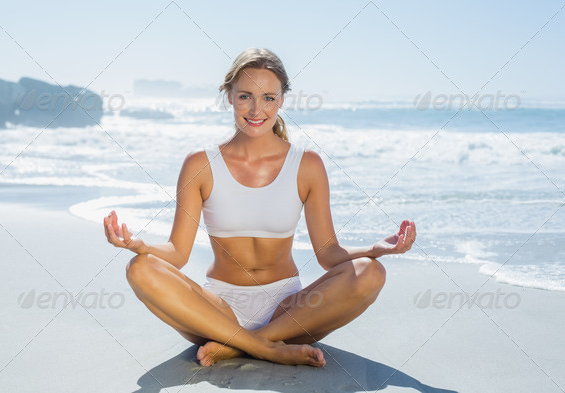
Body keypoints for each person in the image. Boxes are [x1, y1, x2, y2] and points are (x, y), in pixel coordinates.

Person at [104, 48, 416, 368]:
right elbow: (178, 253)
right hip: (217, 307)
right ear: (229, 96)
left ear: (281, 100)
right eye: (245, 96)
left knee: (371, 272)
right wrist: (139, 246)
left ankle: (240, 345)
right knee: (140, 268)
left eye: (268, 97)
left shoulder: (307, 165)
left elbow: (328, 254)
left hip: (289, 309)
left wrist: (375, 249)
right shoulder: (200, 164)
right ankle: (268, 348)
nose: (256, 109)